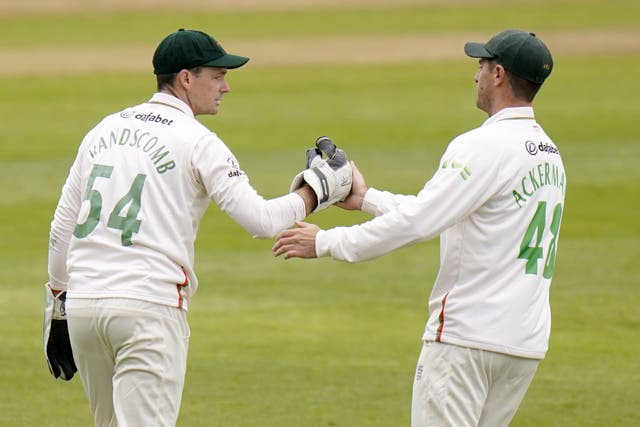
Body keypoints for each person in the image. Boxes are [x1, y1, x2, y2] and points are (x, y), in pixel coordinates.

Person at [43, 28, 351, 427]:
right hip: (147, 308)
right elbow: (260, 220)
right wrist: (318, 190)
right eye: (217, 75)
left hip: (85, 307)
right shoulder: (198, 141)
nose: (226, 87)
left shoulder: (102, 130)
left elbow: (61, 228)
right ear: (186, 78)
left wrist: (58, 311)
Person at [273, 29, 566, 427]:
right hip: (522, 343)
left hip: (467, 337)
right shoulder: (549, 155)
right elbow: (449, 212)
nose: (475, 76)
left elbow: (422, 221)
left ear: (499, 74)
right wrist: (367, 199)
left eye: (481, 66)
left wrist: (326, 241)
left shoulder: (482, 145)